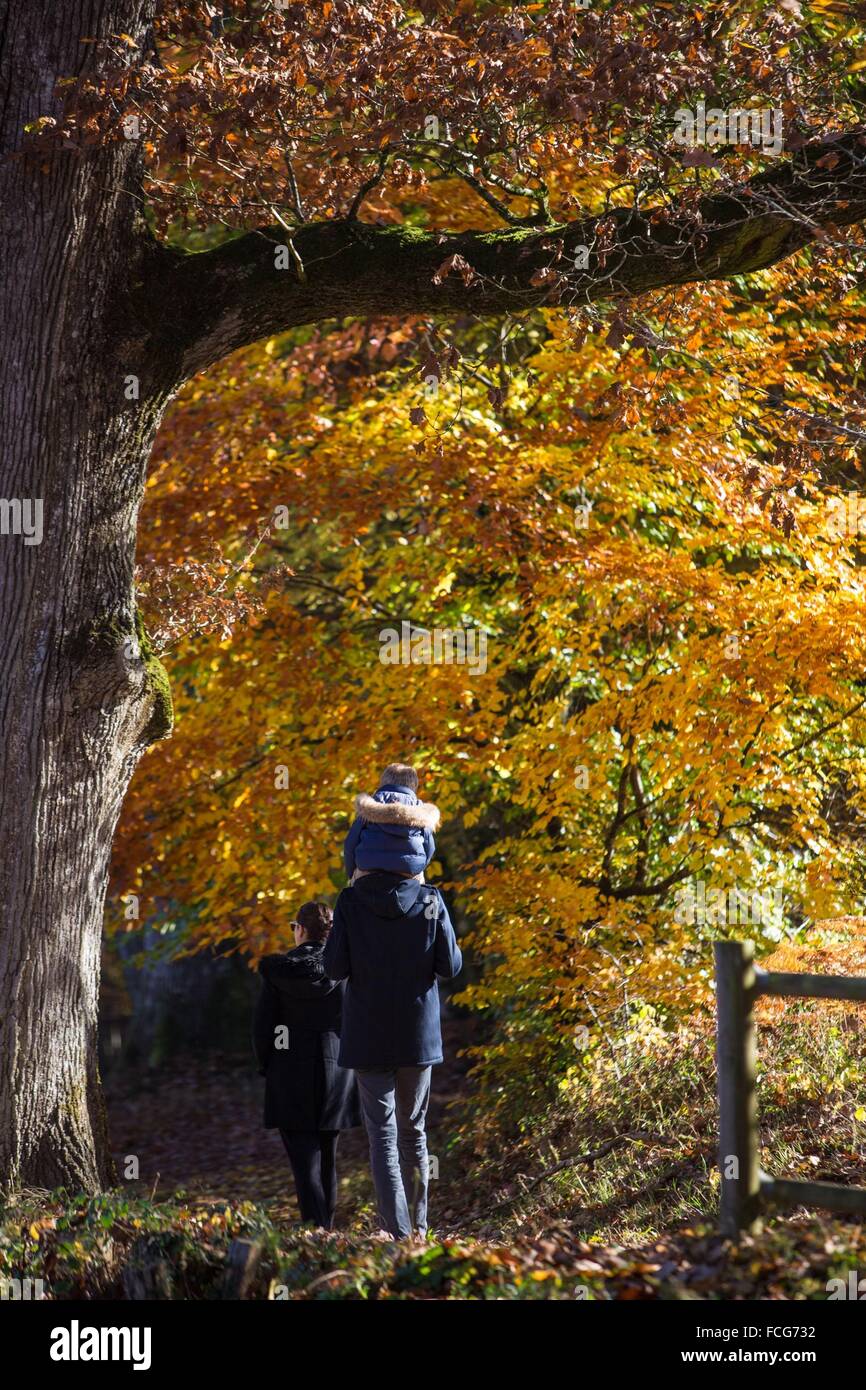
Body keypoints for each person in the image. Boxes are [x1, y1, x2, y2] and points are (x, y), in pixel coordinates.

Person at [323, 870, 462, 1239]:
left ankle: (398, 1232)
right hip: (416, 1036)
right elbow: (450, 965)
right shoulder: (430, 899)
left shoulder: (351, 902)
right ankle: (417, 1230)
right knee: (413, 1133)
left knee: (382, 1135)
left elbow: (333, 967)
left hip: (369, 1036)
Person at [253, 901, 360, 1228]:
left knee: (304, 1162)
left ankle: (316, 1232)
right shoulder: (345, 969)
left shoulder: (278, 973)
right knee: (328, 1159)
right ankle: (325, 1229)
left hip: (290, 1071)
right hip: (337, 1071)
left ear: (299, 929)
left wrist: (267, 1065)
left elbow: (263, 1028)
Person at [343, 762, 439, 883]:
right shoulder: (420, 810)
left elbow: (350, 844)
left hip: (368, 871)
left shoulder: (368, 806)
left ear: (383, 781)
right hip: (407, 873)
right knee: (420, 883)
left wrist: (351, 873)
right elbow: (429, 848)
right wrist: (417, 866)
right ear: (414, 785)